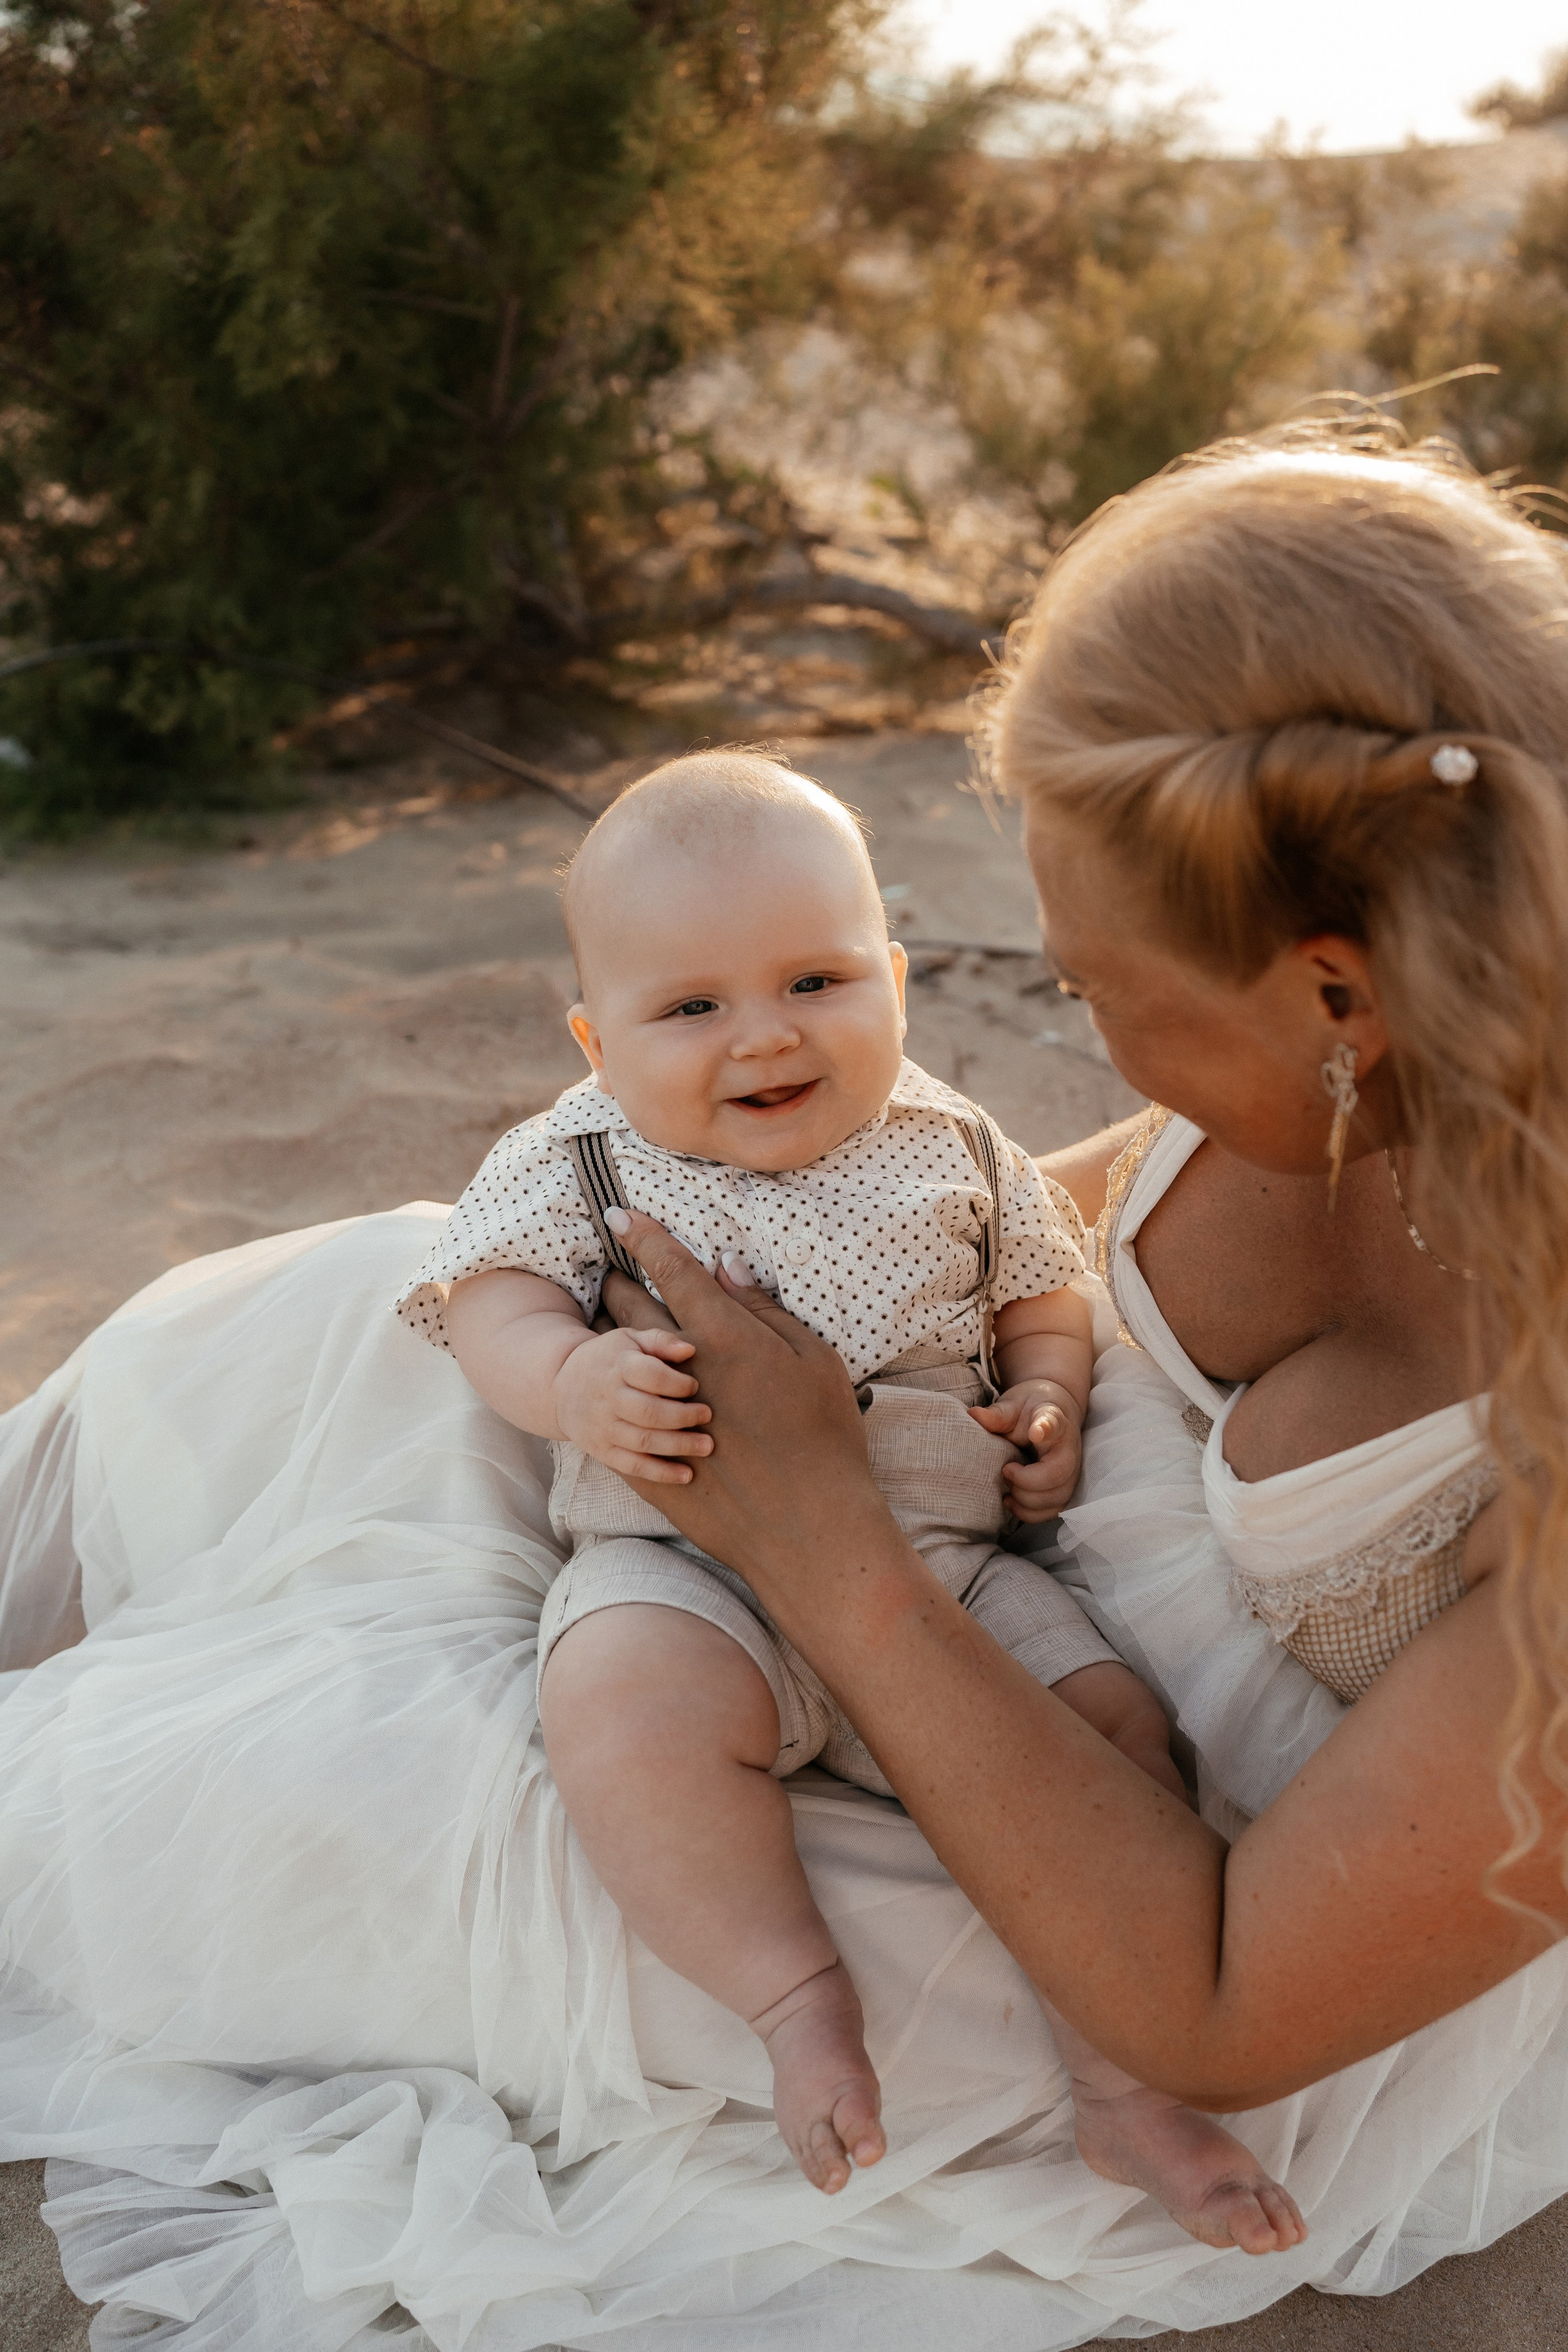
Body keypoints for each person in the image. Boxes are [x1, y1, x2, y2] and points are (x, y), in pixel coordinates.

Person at [1, 424, 1566, 2351]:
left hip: (1100, 1870)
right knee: (295, 1331)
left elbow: (1224, 2005)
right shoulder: (1362, 1064)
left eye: (1092, 987)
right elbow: (992, 1222)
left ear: (1337, 995)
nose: (1080, 1025)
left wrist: (830, 1545)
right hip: (834, 1508)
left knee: (264, 1798)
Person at [395, 749, 1303, 2247]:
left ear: (892, 978)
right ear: (594, 1036)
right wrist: (568, 1384)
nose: (762, 1037)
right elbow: (490, 1300)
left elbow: (1044, 1290)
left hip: (940, 1569)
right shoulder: (574, 1152)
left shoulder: (952, 1141)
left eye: (814, 982)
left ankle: (1122, 2082)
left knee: (1116, 1731)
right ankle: (790, 1990)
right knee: (617, 1704)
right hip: (690, 1570)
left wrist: (1048, 1399)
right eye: (689, 1008)